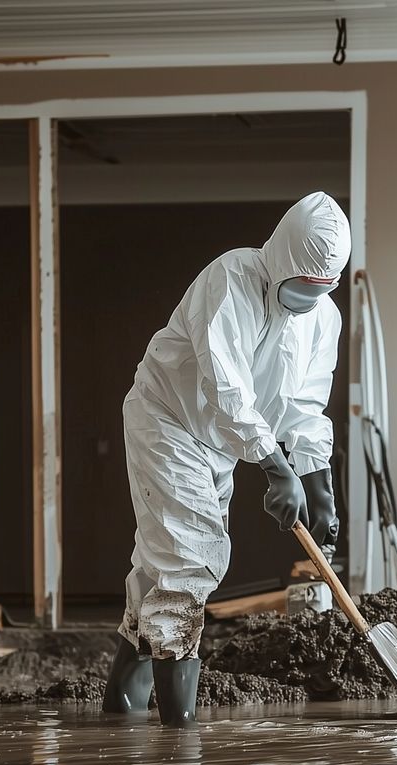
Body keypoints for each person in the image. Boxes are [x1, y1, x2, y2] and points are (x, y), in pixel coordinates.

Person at [105, 192, 350, 723]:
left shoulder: (322, 319)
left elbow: (306, 406)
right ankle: (178, 737)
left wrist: (317, 480)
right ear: (280, 259)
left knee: (162, 563)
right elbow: (227, 385)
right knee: (191, 559)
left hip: (219, 442)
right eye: (302, 285)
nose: (310, 297)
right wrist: (272, 464)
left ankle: (121, 707)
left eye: (321, 288)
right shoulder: (232, 278)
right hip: (168, 421)